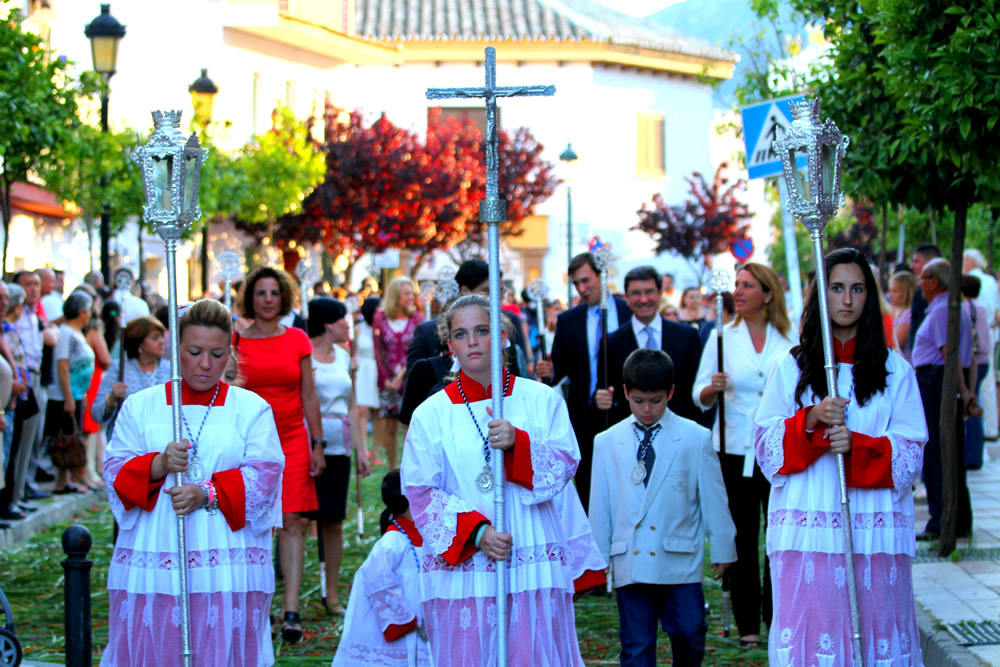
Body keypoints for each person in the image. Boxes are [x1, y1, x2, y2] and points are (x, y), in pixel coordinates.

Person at [401, 294, 604, 666]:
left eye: (482, 330)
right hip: (467, 563)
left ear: (505, 337)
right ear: (450, 346)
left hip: (528, 546)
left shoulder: (541, 400)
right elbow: (420, 491)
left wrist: (518, 444)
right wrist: (477, 534)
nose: (473, 341)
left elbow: (564, 463)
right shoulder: (431, 414)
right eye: (461, 334)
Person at [753, 248, 927, 665]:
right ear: (821, 296)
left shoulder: (896, 372)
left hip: (872, 530)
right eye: (836, 288)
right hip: (811, 528)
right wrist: (809, 420)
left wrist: (859, 447)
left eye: (857, 289)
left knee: (874, 632)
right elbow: (765, 449)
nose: (847, 299)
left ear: (870, 298)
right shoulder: (790, 368)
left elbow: (910, 456)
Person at [102, 299, 284, 666]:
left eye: (217, 354)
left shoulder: (250, 408)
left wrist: (208, 493)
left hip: (223, 547)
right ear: (176, 349)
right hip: (160, 540)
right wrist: (158, 464)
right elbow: (114, 469)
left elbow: (265, 475)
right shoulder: (142, 406)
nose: (205, 364)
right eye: (195, 352)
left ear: (229, 352)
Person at [591, 348, 736, 666]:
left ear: (670, 392)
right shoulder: (606, 441)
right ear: (626, 393)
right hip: (631, 556)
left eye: (656, 400)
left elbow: (713, 498)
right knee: (636, 644)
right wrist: (597, 558)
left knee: (688, 632)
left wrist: (724, 547)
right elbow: (600, 506)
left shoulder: (694, 437)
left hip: (679, 557)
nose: (647, 409)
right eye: (639, 400)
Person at [692, 263, 794, 649]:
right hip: (734, 448)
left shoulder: (788, 336)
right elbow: (696, 392)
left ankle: (778, 616)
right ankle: (749, 623)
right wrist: (711, 389)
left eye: (747, 285)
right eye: (736, 284)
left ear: (767, 294)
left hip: (781, 447)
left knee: (780, 536)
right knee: (743, 535)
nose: (738, 291)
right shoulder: (721, 336)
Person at [235, 266, 325, 643]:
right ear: (250, 298)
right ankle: (259, 606)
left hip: (291, 439)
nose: (268, 299)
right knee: (255, 523)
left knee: (293, 523)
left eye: (274, 293)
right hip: (250, 442)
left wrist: (318, 444)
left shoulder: (298, 339)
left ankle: (291, 612)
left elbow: (309, 394)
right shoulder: (236, 340)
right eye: (261, 293)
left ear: (283, 297)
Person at [536, 252, 631, 512]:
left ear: (602, 276)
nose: (582, 288)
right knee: (588, 486)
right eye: (576, 283)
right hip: (583, 416)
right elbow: (559, 368)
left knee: (626, 484)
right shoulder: (569, 320)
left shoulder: (627, 311)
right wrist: (548, 370)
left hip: (625, 411)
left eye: (586, 280)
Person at [308, 297, 371, 613]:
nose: (348, 325)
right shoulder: (303, 355)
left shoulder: (344, 356)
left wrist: (360, 449)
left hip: (339, 445)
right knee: (298, 519)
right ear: (328, 324)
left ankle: (331, 594)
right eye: (343, 320)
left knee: (333, 519)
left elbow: (353, 404)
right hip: (306, 445)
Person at [332, 469, 430, 667]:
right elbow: (376, 578)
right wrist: (400, 619)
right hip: (401, 625)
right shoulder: (392, 541)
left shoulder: (427, 536)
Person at [912, 258, 976, 540]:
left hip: (936, 382)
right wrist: (967, 391)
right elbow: (967, 356)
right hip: (942, 382)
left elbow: (949, 356)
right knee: (948, 451)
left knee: (937, 451)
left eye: (923, 277)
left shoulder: (942, 310)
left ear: (934, 282)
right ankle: (957, 517)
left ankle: (941, 519)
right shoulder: (955, 308)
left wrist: (963, 392)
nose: (920, 283)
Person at [598, 266, 702, 428]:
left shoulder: (687, 336)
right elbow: (604, 390)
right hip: (631, 435)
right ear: (626, 297)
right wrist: (600, 399)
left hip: (681, 432)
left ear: (660, 293)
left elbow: (697, 389)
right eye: (636, 293)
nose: (644, 299)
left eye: (649, 292)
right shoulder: (611, 342)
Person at [46, 291, 96, 495]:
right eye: (90, 310)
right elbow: (63, 366)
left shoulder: (75, 332)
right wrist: (68, 397)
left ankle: (66, 480)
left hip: (76, 395)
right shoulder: (65, 332)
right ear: (83, 312)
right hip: (64, 396)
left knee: (70, 437)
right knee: (65, 438)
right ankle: (62, 481)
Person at [92, 316, 171, 440]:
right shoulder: (119, 369)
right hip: (127, 441)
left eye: (161, 336)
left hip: (162, 442)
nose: (162, 341)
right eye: (155, 337)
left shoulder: (171, 370)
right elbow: (97, 413)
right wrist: (112, 398)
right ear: (139, 343)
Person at [372, 276, 423, 469]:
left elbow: (418, 349)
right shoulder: (380, 318)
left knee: (409, 426)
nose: (411, 297)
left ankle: (409, 467)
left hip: (410, 378)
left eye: (412, 293)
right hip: (388, 380)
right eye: (407, 293)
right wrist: (385, 379)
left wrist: (404, 374)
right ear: (396, 295)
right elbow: (378, 351)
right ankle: (392, 468)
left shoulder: (417, 317)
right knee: (390, 425)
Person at [963, 249, 999, 441]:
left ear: (969, 261)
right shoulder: (991, 281)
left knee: (973, 389)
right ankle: (991, 429)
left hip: (973, 343)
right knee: (988, 384)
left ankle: (975, 437)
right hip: (989, 335)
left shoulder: (967, 281)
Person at [961, 275, 991, 470]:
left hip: (975, 361)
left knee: (971, 404)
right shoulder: (979, 306)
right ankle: (974, 453)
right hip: (982, 360)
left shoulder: (968, 307)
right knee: (975, 401)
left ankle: (972, 455)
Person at [353, 297, 381, 463]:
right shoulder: (357, 328)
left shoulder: (380, 329)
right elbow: (354, 351)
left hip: (378, 370)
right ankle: (363, 448)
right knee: (362, 411)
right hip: (362, 370)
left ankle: (376, 450)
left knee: (379, 412)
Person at [888, 271, 917, 364]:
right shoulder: (898, 312)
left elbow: (895, 344)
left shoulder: (909, 314)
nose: (890, 295)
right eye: (890, 290)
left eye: (895, 291)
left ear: (907, 292)